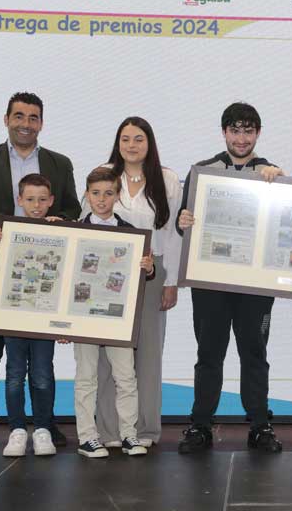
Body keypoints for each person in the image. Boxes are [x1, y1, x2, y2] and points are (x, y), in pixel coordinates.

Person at [0, 92, 80, 453]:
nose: (26, 124)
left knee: (43, 353)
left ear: (42, 122)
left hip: (46, 275)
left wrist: (61, 221)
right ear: (6, 119)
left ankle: (46, 423)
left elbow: (71, 209)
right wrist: (2, 225)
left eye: (33, 117)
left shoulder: (59, 163)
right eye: (19, 116)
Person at [176, 102, 286, 454]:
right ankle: (200, 425)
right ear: (224, 132)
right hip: (211, 281)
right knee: (209, 352)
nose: (242, 138)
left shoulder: (271, 173)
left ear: (258, 133)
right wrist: (184, 223)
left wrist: (279, 182)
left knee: (254, 352)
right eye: (235, 130)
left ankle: (260, 424)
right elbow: (184, 222)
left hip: (255, 282)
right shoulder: (202, 171)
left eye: (248, 130)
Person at [92, 117, 182, 448]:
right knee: (107, 355)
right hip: (107, 271)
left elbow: (173, 234)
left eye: (139, 139)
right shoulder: (104, 175)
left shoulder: (168, 179)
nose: (132, 145)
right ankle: (110, 432)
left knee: (148, 354)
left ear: (149, 143)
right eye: (126, 139)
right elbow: (88, 223)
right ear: (118, 142)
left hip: (151, 270)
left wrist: (171, 280)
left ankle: (144, 431)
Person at [74, 167, 157, 458]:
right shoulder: (73, 232)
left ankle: (129, 436)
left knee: (126, 377)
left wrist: (149, 268)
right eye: (95, 193)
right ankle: (87, 436)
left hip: (117, 317)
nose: (101, 199)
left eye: (108, 193)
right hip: (82, 317)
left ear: (117, 195)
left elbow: (146, 271)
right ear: (86, 195)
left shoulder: (131, 234)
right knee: (86, 377)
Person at [0, 174, 64, 457]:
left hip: (44, 318)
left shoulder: (60, 231)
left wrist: (65, 232)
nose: (37, 205)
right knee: (15, 374)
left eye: (43, 199)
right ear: (19, 200)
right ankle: (17, 430)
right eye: (30, 199)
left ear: (51, 201)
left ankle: (43, 429)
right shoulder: (6, 232)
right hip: (13, 318)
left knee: (42, 374)